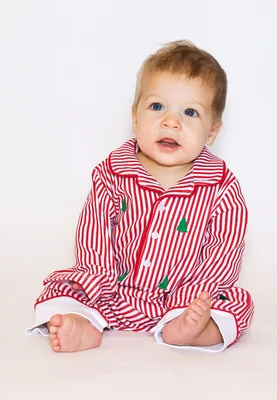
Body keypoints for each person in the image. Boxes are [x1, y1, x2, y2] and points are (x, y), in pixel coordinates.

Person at [25, 39, 254, 353]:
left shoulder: (220, 188)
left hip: (182, 299)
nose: (171, 121)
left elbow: (224, 247)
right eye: (157, 107)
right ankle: (84, 323)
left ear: (211, 133)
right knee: (63, 288)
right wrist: (98, 279)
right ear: (135, 117)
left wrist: (198, 295)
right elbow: (94, 231)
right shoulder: (113, 173)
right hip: (112, 291)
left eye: (190, 112)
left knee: (237, 305)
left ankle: (191, 331)